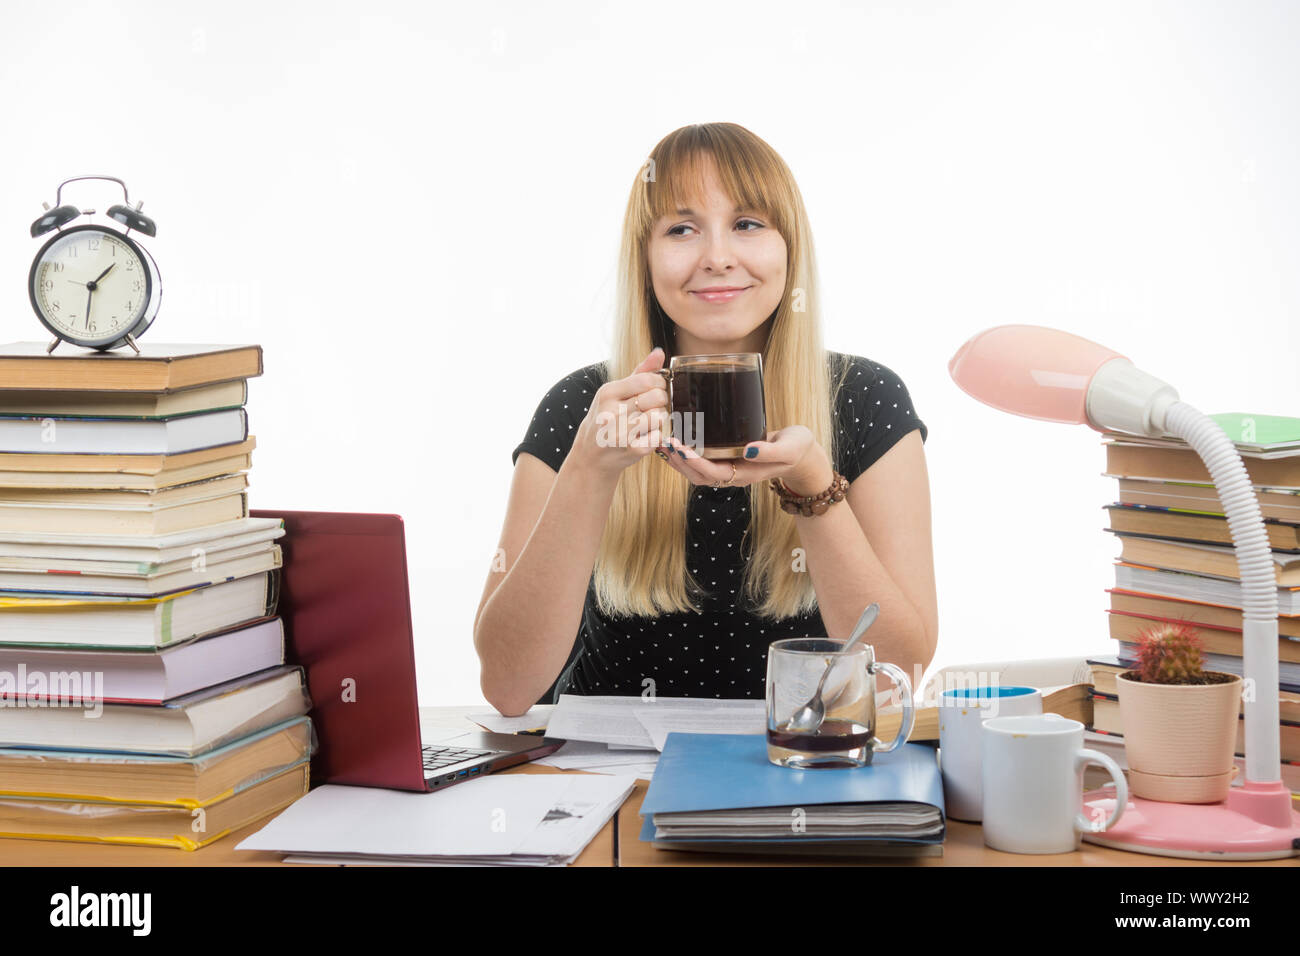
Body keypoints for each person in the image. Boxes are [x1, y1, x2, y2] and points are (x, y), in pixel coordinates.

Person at [474, 122, 937, 716]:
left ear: (789, 247)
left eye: (747, 224)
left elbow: (899, 679)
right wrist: (589, 471)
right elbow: (508, 687)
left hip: (798, 769)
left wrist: (814, 489)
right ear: (644, 257)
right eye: (681, 229)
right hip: (609, 781)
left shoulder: (864, 398)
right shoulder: (584, 406)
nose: (717, 257)